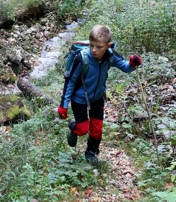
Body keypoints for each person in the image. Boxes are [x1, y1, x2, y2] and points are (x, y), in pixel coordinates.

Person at [57, 25, 142, 163]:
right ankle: (74, 127)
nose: (94, 50)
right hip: (79, 99)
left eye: (99, 47)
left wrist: (133, 63)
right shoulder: (82, 58)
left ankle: (91, 153)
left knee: (97, 129)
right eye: (91, 45)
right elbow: (70, 81)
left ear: (108, 45)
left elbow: (125, 67)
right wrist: (63, 105)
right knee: (83, 129)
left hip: (97, 98)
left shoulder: (110, 56)